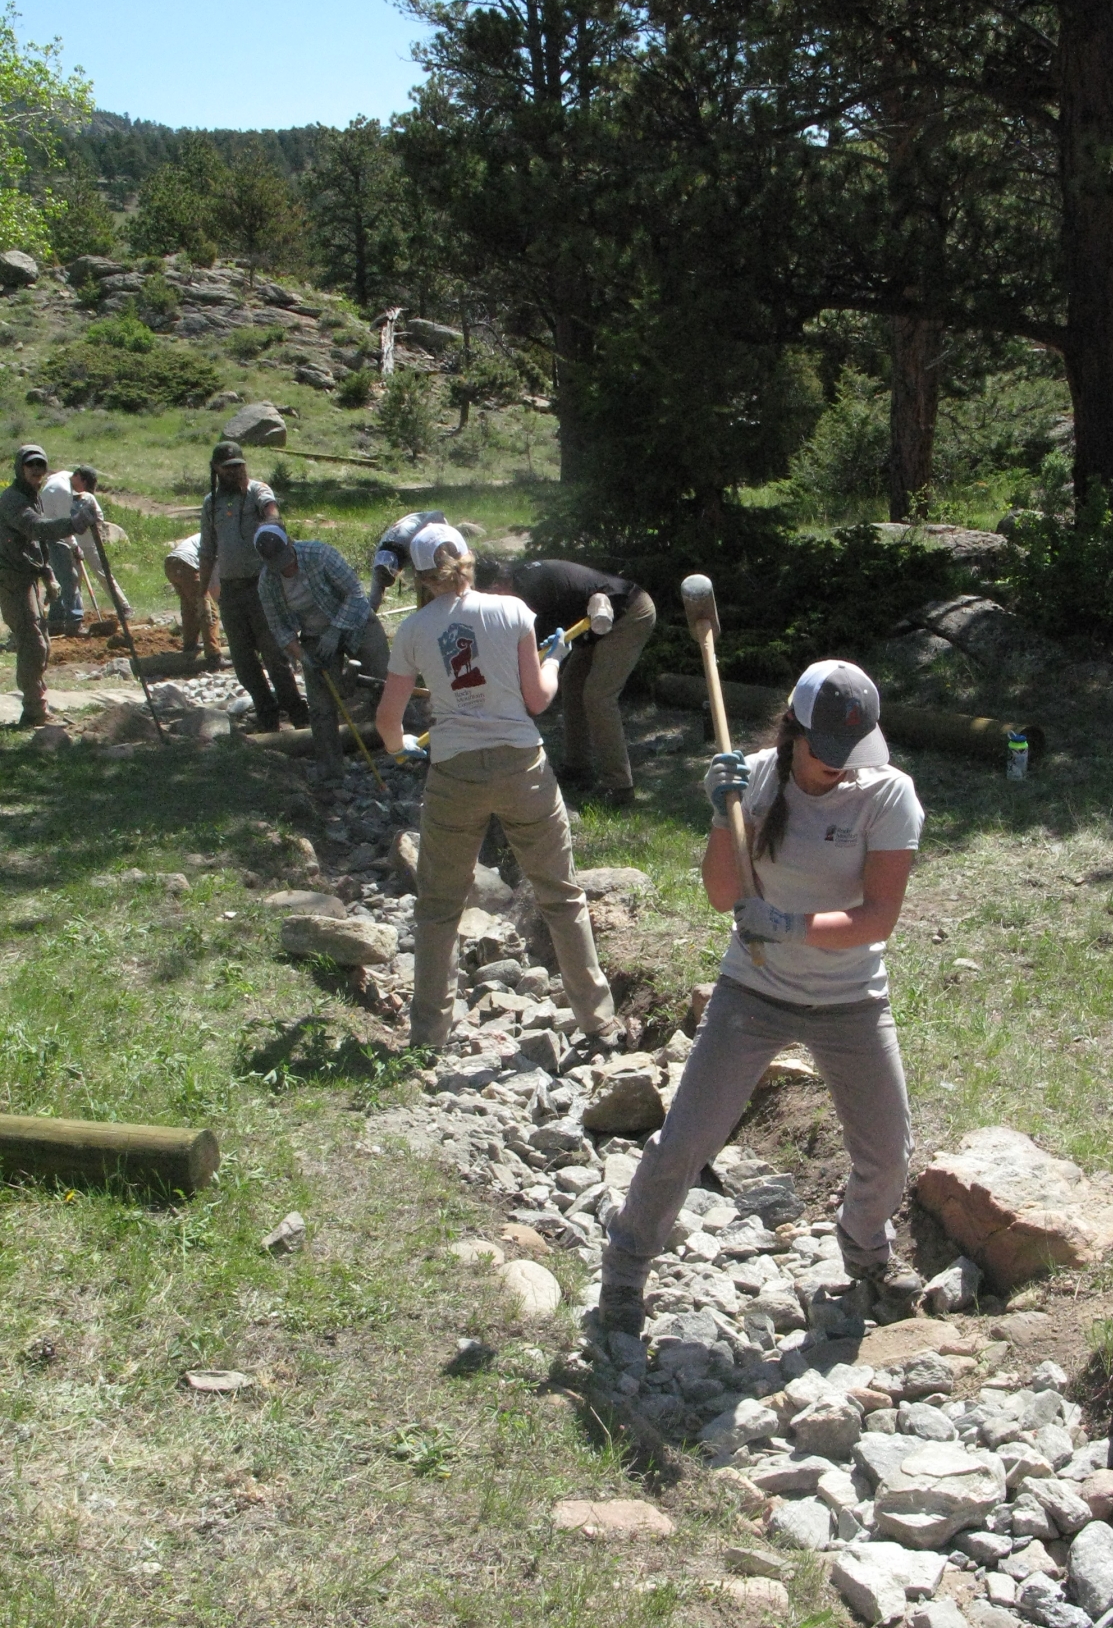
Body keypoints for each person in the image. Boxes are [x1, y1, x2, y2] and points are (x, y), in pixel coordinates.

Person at [598, 660, 925, 1339]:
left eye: (848, 754)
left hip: (851, 999)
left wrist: (792, 925)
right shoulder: (753, 779)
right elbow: (723, 895)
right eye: (823, 752)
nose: (836, 767)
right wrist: (723, 815)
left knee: (888, 1153)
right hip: (756, 988)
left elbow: (877, 918)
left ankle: (866, 1252)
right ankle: (626, 1267)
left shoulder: (889, 795)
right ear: (793, 731)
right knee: (685, 1141)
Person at [374, 523, 621, 1054]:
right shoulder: (512, 613)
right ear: (468, 561)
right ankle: (600, 1023)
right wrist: (554, 660)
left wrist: (400, 749)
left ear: (419, 576)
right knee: (561, 896)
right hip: (522, 769)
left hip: (454, 772)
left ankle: (428, 1037)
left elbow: (388, 719)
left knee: (439, 907)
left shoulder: (413, 630)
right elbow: (537, 700)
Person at [507, 558, 657, 805]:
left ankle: (619, 786)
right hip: (592, 625)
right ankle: (578, 767)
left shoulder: (532, 590)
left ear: (499, 585)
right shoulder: (519, 583)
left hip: (628, 613)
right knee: (572, 684)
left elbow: (532, 643)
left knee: (598, 697)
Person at [254, 524, 389, 782]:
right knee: (320, 705)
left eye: (285, 559)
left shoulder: (320, 555)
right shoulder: (267, 583)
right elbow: (279, 629)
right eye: (276, 563)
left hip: (356, 621)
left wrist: (336, 630)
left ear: (290, 544)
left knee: (386, 679)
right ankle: (330, 767)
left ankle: (400, 745)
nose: (284, 567)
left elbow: (355, 594)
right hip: (314, 637)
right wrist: (303, 656)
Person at [198, 441, 307, 732]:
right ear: (216, 469)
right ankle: (266, 713)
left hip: (262, 586)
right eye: (229, 468)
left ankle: (297, 713)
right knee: (244, 662)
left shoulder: (259, 491)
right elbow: (208, 551)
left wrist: (271, 526)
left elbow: (272, 511)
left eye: (239, 466)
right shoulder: (212, 504)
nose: (236, 472)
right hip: (231, 590)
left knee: (275, 655)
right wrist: (202, 595)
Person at [0, 444, 97, 726]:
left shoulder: (33, 496)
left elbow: (36, 541)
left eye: (40, 465)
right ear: (20, 468)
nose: (35, 470)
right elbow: (36, 528)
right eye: (30, 465)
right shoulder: (13, 500)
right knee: (33, 644)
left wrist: (48, 574)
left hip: (28, 575)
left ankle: (38, 704)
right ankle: (34, 711)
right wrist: (74, 524)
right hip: (11, 579)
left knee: (43, 644)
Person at [38, 464, 102, 637]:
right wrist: (75, 547)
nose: (83, 491)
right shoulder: (63, 492)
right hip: (53, 536)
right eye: (85, 486)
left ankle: (56, 621)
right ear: (79, 478)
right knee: (70, 578)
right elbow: (63, 526)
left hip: (44, 532)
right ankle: (74, 622)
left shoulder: (62, 476)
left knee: (58, 578)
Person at [367, 507, 448, 612]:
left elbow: (437, 514)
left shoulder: (413, 540)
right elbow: (374, 598)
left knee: (431, 577)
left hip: (437, 528)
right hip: (413, 536)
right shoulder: (379, 560)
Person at [164, 531, 224, 666]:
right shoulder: (219, 540)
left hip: (171, 563)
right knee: (208, 611)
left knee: (190, 609)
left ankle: (190, 646)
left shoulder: (206, 535)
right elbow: (213, 574)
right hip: (187, 565)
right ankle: (214, 656)